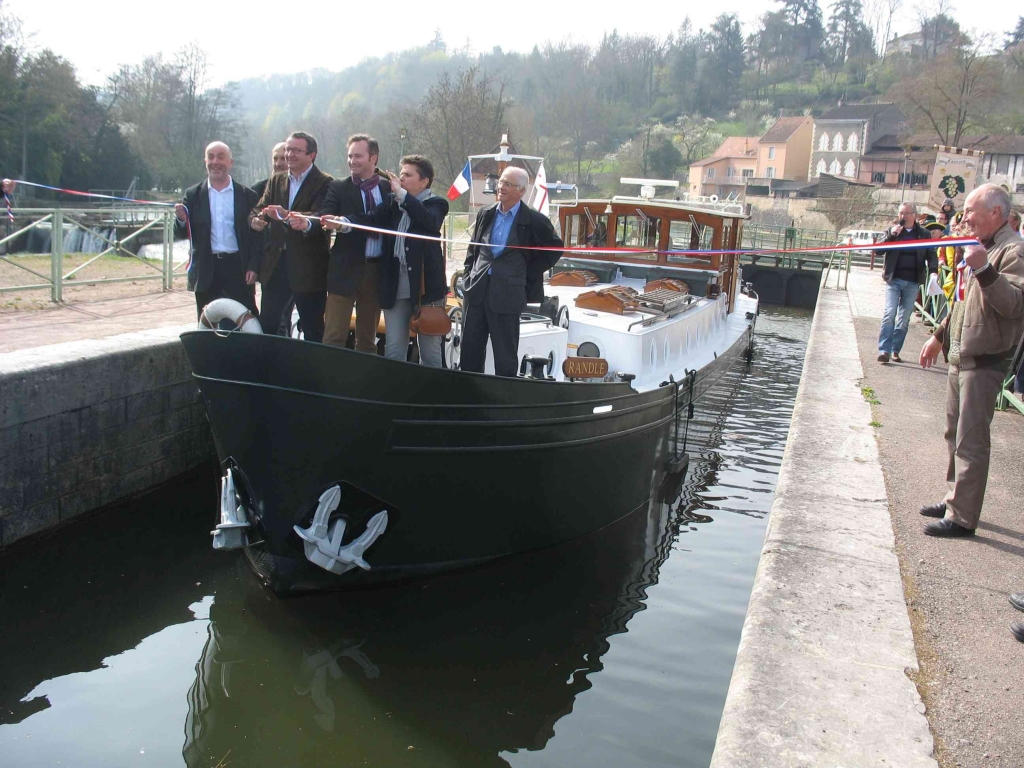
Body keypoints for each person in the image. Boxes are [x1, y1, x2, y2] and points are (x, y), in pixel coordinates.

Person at [918, 184, 1024, 545]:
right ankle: (955, 500)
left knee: (971, 441)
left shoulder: (1012, 251)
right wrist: (939, 335)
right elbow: (963, 305)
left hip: (985, 359)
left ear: (996, 212)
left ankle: (963, 516)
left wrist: (984, 269)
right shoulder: (982, 248)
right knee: (954, 433)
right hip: (961, 354)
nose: (964, 219)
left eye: (971, 211)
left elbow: (1014, 306)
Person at [325, 155, 449, 365]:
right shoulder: (393, 204)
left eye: (408, 175)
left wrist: (401, 194)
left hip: (427, 292)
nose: (401, 179)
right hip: (396, 288)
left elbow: (428, 221)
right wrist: (343, 222)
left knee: (430, 353)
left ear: (424, 181)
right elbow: (371, 218)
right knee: (393, 349)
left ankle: (431, 394)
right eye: (400, 175)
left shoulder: (437, 204)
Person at [461, 166, 564, 377]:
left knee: (505, 356)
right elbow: (474, 249)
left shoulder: (534, 220)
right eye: (501, 182)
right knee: (469, 352)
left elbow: (555, 249)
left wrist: (526, 272)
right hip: (477, 292)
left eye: (508, 184)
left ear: (522, 191)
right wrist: (467, 276)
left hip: (507, 296)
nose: (501, 187)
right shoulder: (486, 213)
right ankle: (469, 397)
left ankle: (502, 402)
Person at [249, 131, 332, 342]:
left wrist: (288, 216)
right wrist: (256, 220)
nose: (289, 154)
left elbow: (321, 215)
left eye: (296, 150)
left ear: (312, 155)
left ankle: (311, 372)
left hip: (308, 268)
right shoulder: (276, 180)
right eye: (287, 149)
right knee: (268, 323)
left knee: (312, 327)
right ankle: (270, 370)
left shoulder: (325, 182)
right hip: (276, 264)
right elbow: (259, 208)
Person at [312, 134, 390, 351]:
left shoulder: (388, 189)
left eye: (358, 156)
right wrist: (325, 221)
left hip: (376, 270)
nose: (352, 161)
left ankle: (363, 381)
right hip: (344, 270)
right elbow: (324, 214)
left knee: (367, 338)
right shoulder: (339, 187)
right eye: (349, 156)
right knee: (334, 335)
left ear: (373, 158)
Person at [174, 142, 261, 319]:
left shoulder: (247, 195)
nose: (215, 162)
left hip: (238, 268)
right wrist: (182, 220)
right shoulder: (193, 195)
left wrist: (253, 266)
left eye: (221, 157)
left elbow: (257, 237)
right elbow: (181, 234)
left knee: (246, 321)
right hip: (206, 270)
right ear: (205, 161)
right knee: (208, 324)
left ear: (230, 162)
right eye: (211, 156)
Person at [874, 201, 937, 363]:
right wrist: (891, 235)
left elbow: (931, 254)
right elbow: (879, 251)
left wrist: (934, 272)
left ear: (914, 215)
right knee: (890, 314)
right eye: (901, 213)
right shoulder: (892, 231)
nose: (903, 216)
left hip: (913, 281)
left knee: (903, 319)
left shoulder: (924, 234)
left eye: (907, 213)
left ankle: (895, 350)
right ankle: (884, 350)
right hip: (894, 280)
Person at [248, 142, 292, 333]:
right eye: (275, 158)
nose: (279, 163)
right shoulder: (257, 190)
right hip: (269, 264)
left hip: (295, 262)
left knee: (286, 317)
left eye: (283, 158)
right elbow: (251, 220)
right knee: (271, 318)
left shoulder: (299, 188)